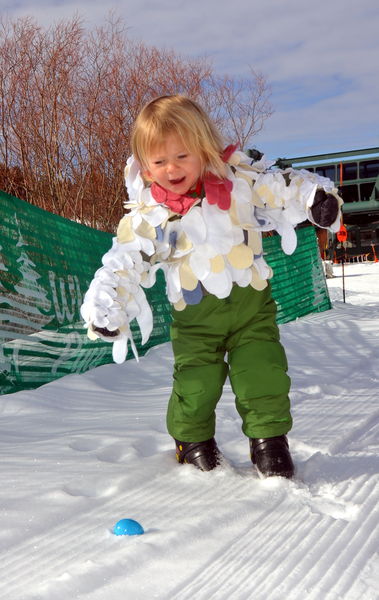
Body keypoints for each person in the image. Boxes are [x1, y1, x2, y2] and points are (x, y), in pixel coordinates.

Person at [81, 95, 342, 478]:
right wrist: (107, 303)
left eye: (183, 155)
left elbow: (281, 185)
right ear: (145, 166)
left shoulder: (240, 182)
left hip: (250, 309)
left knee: (263, 372)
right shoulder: (151, 216)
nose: (172, 168)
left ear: (204, 148)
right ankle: (193, 440)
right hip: (195, 321)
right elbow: (125, 260)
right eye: (159, 161)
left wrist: (314, 198)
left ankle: (269, 440)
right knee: (196, 384)